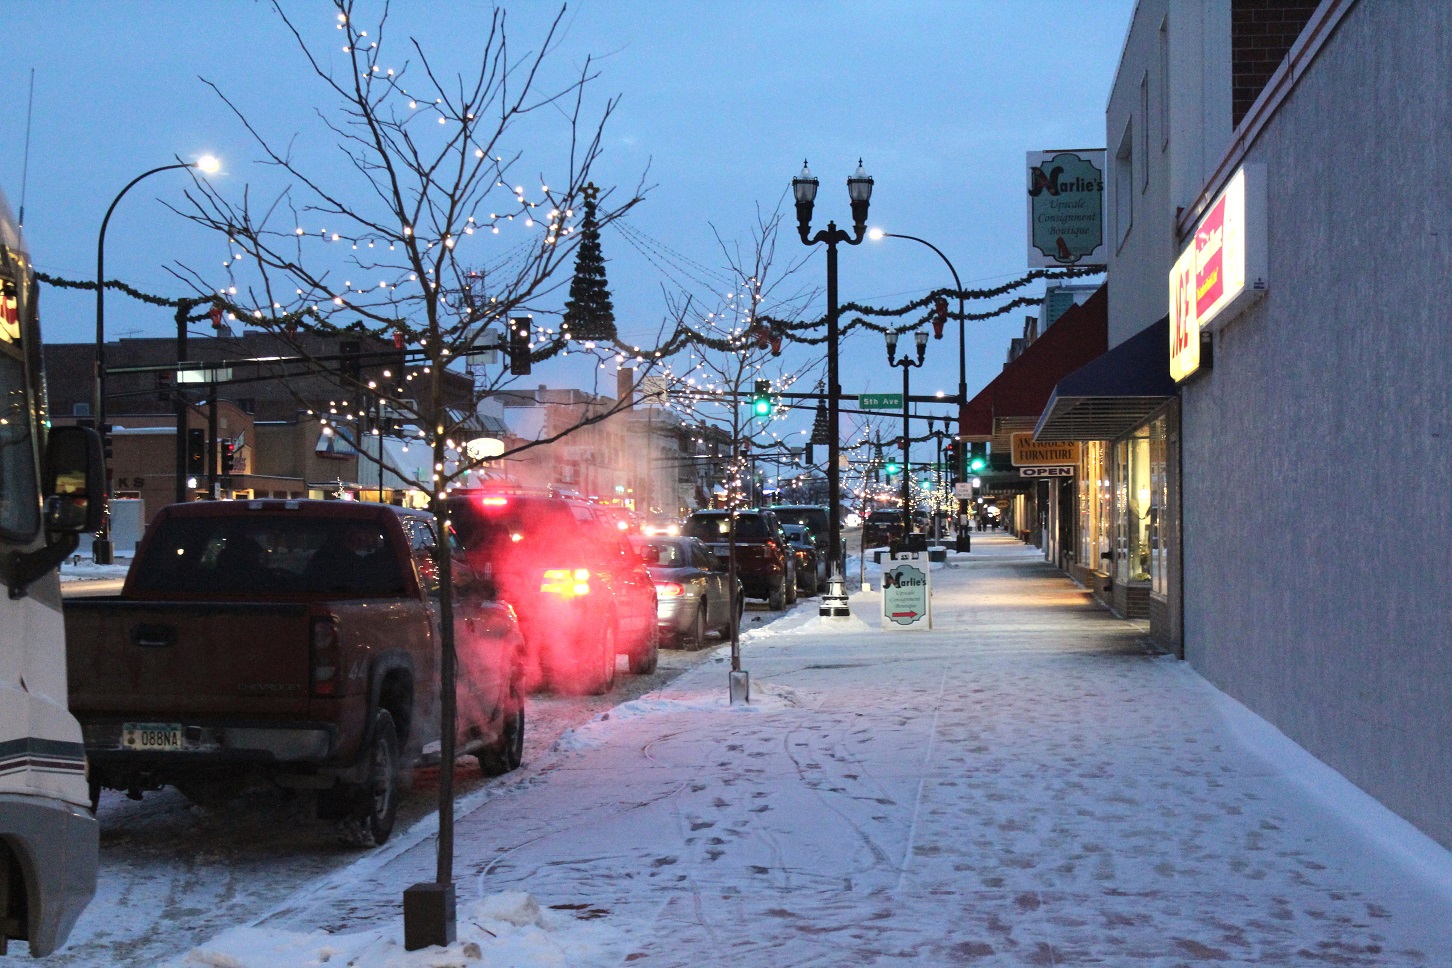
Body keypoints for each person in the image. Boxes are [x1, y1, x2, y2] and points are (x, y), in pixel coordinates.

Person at [303, 521, 403, 594]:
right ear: (349, 532)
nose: (368, 540)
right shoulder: (335, 559)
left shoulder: (324, 556)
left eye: (373, 539)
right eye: (367, 534)